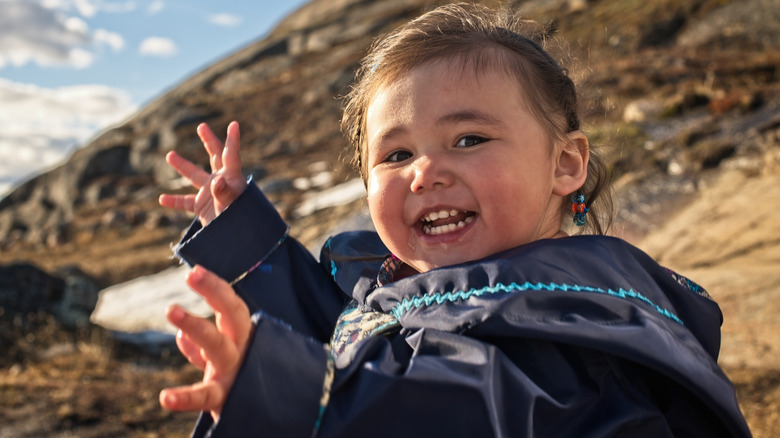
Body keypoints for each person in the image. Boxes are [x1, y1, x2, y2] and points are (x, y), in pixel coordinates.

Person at [157, 4, 751, 437]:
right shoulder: (399, 287)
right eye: (395, 155)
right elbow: (339, 333)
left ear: (564, 163)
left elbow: (470, 408)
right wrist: (246, 242)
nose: (425, 173)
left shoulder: (572, 329)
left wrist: (306, 400)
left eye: (468, 138)